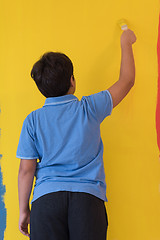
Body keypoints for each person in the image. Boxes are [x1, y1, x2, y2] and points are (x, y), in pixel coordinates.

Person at [17, 29, 136, 240]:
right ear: (72, 81)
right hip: (87, 201)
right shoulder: (89, 108)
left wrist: (24, 210)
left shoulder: (32, 120)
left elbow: (26, 170)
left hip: (46, 202)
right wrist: (126, 42)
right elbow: (126, 80)